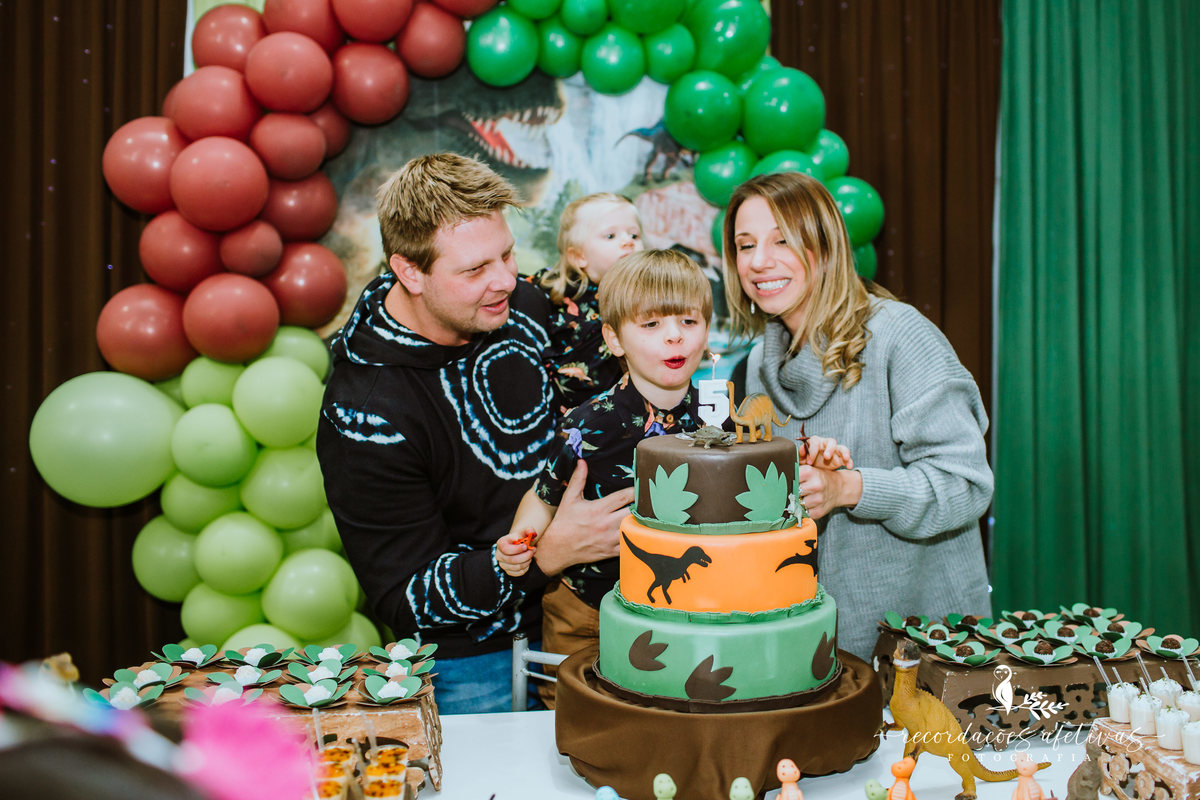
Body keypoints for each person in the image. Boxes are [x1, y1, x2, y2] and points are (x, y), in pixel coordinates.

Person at [316, 154, 632, 714]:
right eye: (475, 269)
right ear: (409, 271)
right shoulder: (365, 411)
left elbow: (606, 399)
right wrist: (548, 552)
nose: (506, 280)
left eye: (507, 254)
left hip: (591, 621)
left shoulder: (522, 306)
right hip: (472, 665)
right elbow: (405, 597)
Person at [723, 171, 993, 660]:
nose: (759, 262)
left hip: (924, 650)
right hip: (812, 649)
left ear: (825, 249)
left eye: (782, 240)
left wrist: (850, 488)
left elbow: (966, 485)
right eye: (745, 246)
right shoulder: (758, 369)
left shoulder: (898, 335)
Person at [496, 250, 712, 702]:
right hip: (587, 613)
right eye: (651, 325)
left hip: (693, 609)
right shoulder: (588, 424)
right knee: (586, 721)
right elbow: (544, 495)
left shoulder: (721, 418)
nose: (674, 337)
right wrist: (521, 538)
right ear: (614, 339)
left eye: (688, 322)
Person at [532, 192, 644, 411]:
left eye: (634, 235)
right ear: (579, 256)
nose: (627, 243)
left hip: (617, 409)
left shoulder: (644, 297)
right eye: (610, 236)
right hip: (562, 410)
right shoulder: (553, 291)